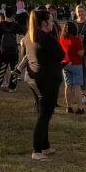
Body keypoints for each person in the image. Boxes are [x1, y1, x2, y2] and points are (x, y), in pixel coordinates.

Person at [23, 9, 64, 161]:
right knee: (44, 115)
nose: (53, 23)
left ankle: (45, 146)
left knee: (43, 112)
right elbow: (61, 54)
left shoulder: (28, 36)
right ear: (45, 23)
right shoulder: (47, 38)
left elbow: (25, 55)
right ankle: (37, 149)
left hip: (35, 78)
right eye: (51, 21)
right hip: (49, 79)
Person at [59, 21, 85, 114]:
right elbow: (81, 54)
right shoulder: (76, 40)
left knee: (68, 86)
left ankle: (68, 106)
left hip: (65, 64)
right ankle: (80, 108)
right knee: (77, 87)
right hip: (76, 64)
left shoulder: (61, 38)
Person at [0, 12, 20, 91]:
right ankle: (12, 87)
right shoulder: (15, 25)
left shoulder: (0, 25)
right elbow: (23, 31)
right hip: (14, 50)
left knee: (1, 68)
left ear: (4, 15)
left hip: (3, 51)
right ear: (12, 15)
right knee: (14, 68)